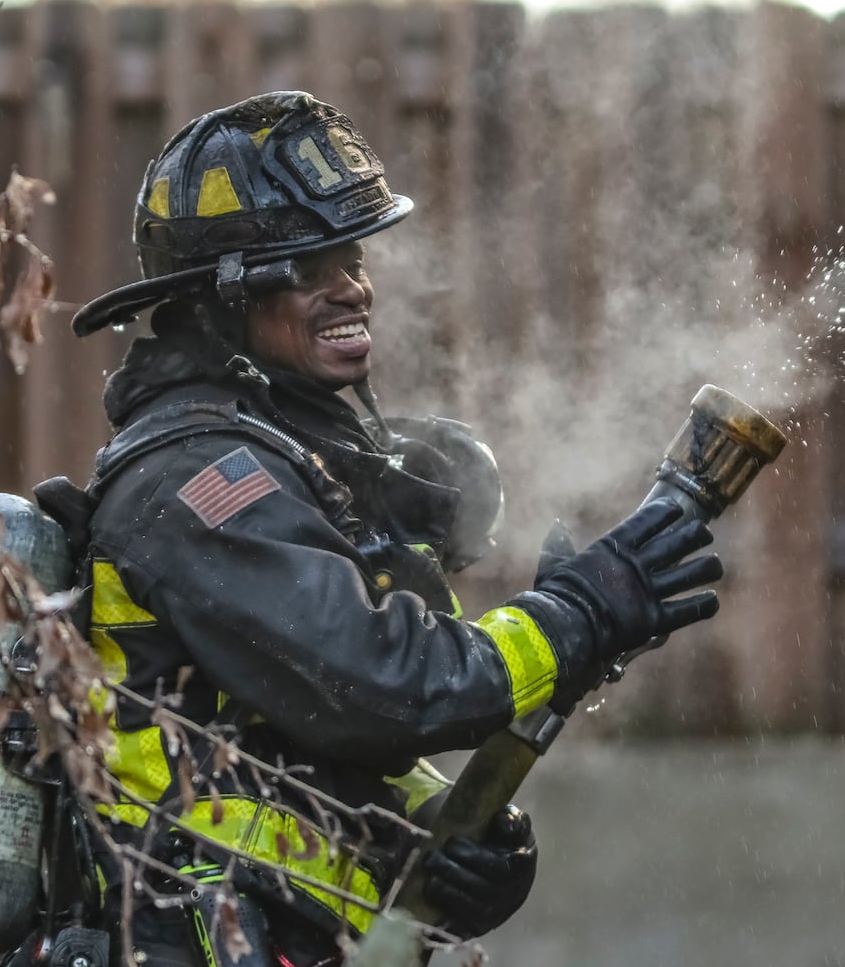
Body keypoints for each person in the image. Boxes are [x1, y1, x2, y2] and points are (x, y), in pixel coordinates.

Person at [57, 91, 724, 966]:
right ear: (222, 298)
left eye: (352, 255)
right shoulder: (196, 482)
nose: (352, 286)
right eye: (307, 268)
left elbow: (291, 747)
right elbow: (389, 688)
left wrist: (453, 840)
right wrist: (573, 617)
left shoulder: (283, 461)